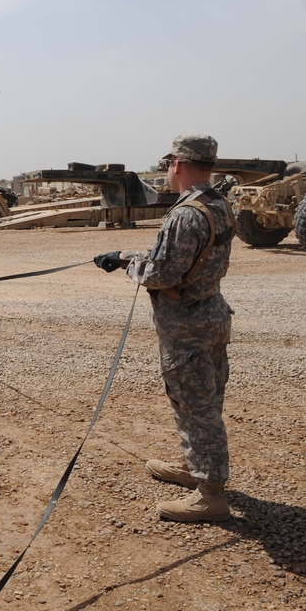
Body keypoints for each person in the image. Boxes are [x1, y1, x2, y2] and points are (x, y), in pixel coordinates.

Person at [94, 134, 236, 522]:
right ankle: (196, 468)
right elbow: (187, 260)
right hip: (210, 313)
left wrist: (129, 266)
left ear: (178, 163)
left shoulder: (186, 213)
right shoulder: (217, 202)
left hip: (186, 324)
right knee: (204, 400)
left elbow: (163, 272)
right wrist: (127, 254)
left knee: (197, 406)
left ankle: (211, 494)